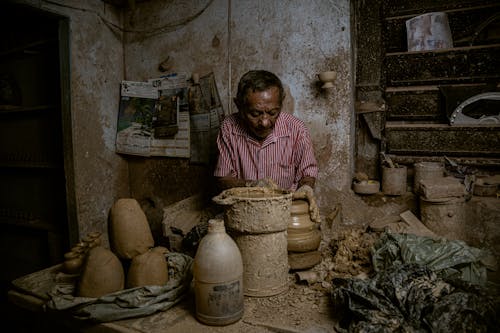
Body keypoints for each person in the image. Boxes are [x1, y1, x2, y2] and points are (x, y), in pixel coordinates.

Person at [214, 70, 320, 222]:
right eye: (255, 114)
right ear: (239, 106)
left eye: (272, 113)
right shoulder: (229, 128)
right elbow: (223, 178)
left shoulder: (296, 129)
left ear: (281, 103)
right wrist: (252, 186)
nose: (264, 122)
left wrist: (307, 187)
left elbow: (307, 173)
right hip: (244, 213)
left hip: (284, 213)